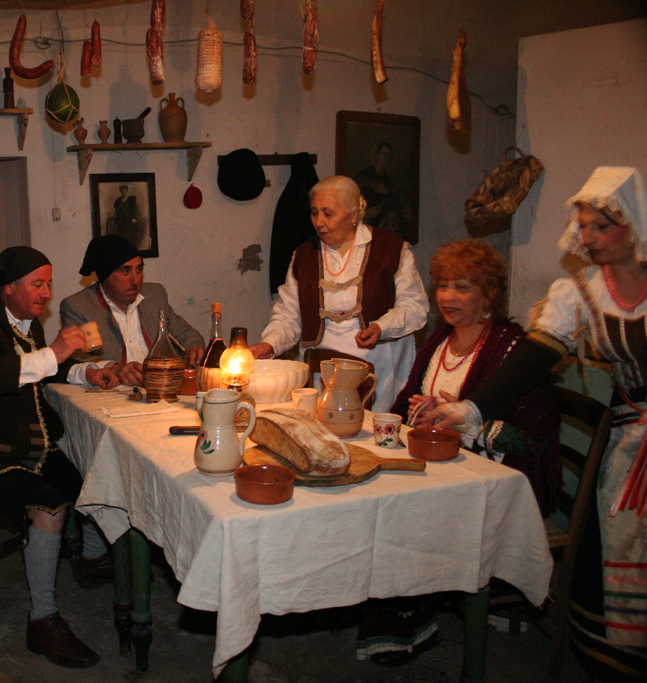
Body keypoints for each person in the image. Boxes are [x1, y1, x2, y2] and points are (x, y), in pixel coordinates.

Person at [423, 167, 647, 682]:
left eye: (601, 226)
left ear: (634, 225)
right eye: (583, 226)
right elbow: (531, 361)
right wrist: (473, 409)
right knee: (620, 553)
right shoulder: (582, 293)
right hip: (631, 437)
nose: (588, 237)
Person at [354, 239, 561, 666]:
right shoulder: (439, 341)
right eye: (444, 285)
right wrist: (420, 413)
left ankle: (409, 619)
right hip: (442, 468)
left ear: (488, 294)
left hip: (499, 481)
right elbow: (406, 405)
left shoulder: (511, 347)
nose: (448, 296)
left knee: (404, 513)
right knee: (375, 494)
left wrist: (468, 421)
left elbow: (530, 440)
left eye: (462, 287)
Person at [0, 246, 118, 669]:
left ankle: (91, 560)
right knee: (48, 504)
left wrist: (84, 371)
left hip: (22, 444)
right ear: (7, 288)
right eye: (37, 285)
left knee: (88, 478)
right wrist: (54, 353)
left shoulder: (26, 324)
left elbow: (44, 367)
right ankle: (42, 619)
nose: (46, 294)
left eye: (48, 284)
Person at [249, 175, 429, 412]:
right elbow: (288, 316)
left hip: (380, 367)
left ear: (354, 214)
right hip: (321, 371)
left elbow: (415, 307)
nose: (319, 222)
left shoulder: (391, 249)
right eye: (314, 212)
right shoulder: (304, 256)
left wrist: (381, 327)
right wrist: (270, 344)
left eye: (328, 213)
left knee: (372, 430)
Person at [59, 235, 205, 387]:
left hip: (159, 383)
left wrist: (193, 348)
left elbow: (186, 333)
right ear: (105, 275)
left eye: (139, 270)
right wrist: (113, 368)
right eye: (125, 271)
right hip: (115, 391)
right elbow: (74, 357)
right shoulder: (79, 306)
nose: (135, 281)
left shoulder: (155, 295)